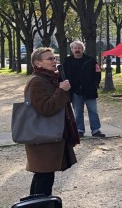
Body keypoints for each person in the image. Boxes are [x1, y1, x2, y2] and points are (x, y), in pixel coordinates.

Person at [25, 47, 78, 196]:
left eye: (54, 58)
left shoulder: (50, 79)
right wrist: (61, 90)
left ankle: (36, 204)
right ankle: (40, 204)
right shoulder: (37, 81)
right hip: (42, 136)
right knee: (44, 177)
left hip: (49, 135)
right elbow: (45, 108)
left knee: (44, 176)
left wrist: (61, 88)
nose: (54, 61)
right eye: (50, 59)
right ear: (38, 63)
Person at [62, 40, 104, 137]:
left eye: (79, 48)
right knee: (78, 112)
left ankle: (96, 130)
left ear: (82, 49)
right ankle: (79, 130)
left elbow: (97, 73)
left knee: (93, 111)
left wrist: (95, 84)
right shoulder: (67, 61)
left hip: (90, 90)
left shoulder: (91, 60)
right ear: (72, 49)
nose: (77, 50)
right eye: (75, 48)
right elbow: (63, 75)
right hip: (75, 91)